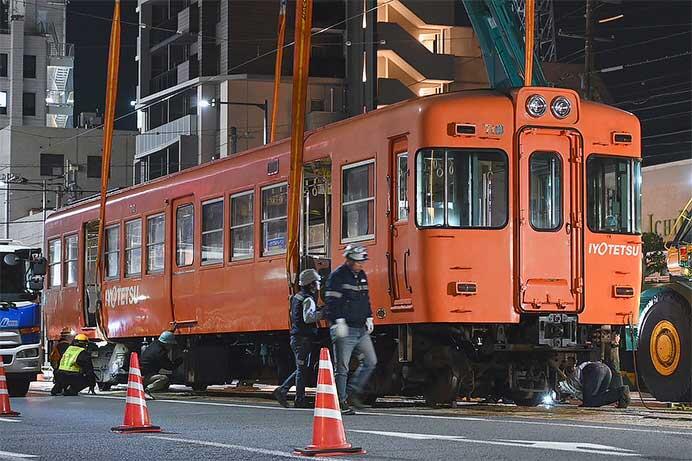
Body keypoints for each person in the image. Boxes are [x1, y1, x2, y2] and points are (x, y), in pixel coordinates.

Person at [325, 244, 377, 415]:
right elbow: (332, 302)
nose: (361, 264)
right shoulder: (337, 276)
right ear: (349, 260)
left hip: (360, 328)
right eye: (357, 261)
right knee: (342, 368)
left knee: (371, 361)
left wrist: (369, 316)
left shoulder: (361, 275)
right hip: (344, 329)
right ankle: (340, 401)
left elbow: (365, 299)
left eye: (362, 261)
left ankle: (353, 393)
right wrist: (338, 321)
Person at [273, 269, 322, 408]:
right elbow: (308, 318)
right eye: (316, 282)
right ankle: (298, 399)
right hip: (303, 338)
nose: (318, 284)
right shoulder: (308, 298)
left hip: (297, 337)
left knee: (302, 368)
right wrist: (323, 313)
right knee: (301, 369)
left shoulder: (297, 296)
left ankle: (283, 390)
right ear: (311, 284)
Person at [558, 361, 630, 408]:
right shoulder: (572, 385)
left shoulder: (566, 385)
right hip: (606, 370)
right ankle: (619, 394)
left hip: (595, 371)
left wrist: (557, 397)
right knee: (598, 397)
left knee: (589, 402)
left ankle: (621, 392)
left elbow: (562, 389)